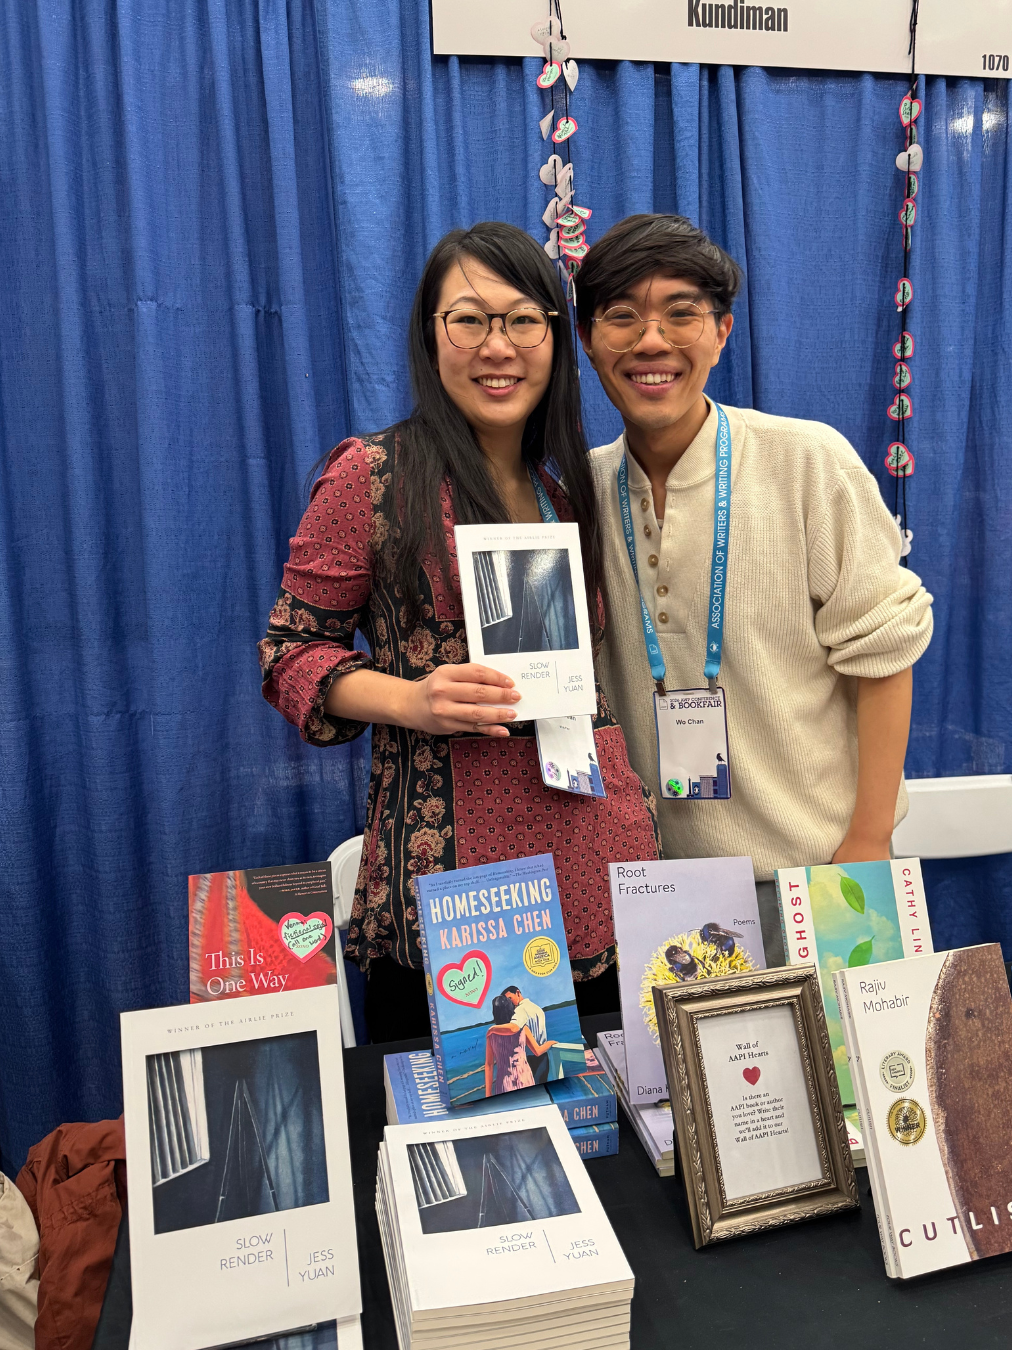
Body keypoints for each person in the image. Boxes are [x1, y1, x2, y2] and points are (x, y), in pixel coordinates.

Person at [259, 222, 661, 1040]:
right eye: (469, 320)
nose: (498, 346)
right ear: (430, 335)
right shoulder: (373, 477)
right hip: (459, 896)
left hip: (597, 868)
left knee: (610, 1140)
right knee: (476, 1140)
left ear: (554, 337)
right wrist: (414, 701)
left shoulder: (566, 486)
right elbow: (289, 655)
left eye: (523, 320)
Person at [575, 215, 932, 948]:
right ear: (587, 341)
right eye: (621, 317)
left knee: (843, 1066)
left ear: (722, 332)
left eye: (681, 313)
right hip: (662, 888)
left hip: (821, 875)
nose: (651, 340)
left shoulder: (807, 461)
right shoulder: (580, 488)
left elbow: (886, 651)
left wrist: (865, 844)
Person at [485, 994, 555, 1095]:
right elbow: (537, 1051)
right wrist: (550, 1043)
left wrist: (488, 1094)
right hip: (524, 1077)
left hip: (504, 1082)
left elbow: (489, 1065)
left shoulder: (491, 1035)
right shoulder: (523, 1028)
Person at [502, 986, 549, 1083]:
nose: (509, 1003)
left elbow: (513, 1028)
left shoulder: (519, 1011)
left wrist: (493, 1030)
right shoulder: (537, 1008)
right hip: (544, 1057)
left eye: (510, 998)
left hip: (528, 1060)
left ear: (518, 993)